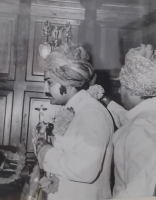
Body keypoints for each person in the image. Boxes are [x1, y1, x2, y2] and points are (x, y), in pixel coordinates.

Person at [29, 46, 114, 200]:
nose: (44, 89)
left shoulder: (92, 113)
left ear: (67, 83)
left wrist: (46, 152)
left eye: (49, 82)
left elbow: (86, 170)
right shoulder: (75, 111)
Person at [101, 44, 156, 198]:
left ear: (135, 89)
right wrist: (107, 102)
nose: (120, 90)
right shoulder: (151, 118)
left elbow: (135, 193)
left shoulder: (144, 127)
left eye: (123, 85)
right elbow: (128, 123)